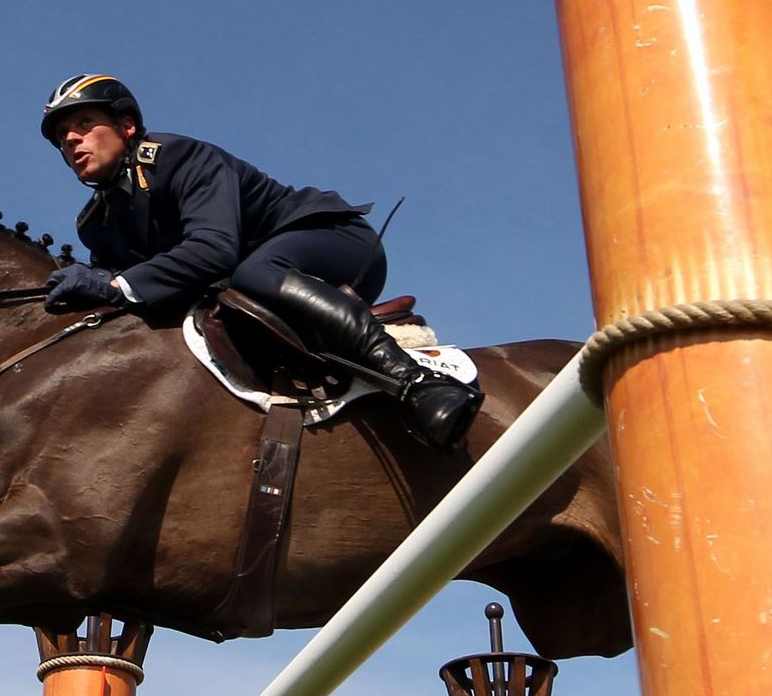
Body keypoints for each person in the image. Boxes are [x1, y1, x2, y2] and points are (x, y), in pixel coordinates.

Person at [39, 74, 483, 451]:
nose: (72, 139)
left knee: (253, 274)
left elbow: (213, 250)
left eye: (84, 124)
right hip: (251, 286)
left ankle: (416, 383)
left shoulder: (178, 158)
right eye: (63, 137)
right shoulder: (95, 223)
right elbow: (137, 292)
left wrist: (116, 285)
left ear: (128, 126)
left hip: (331, 242)